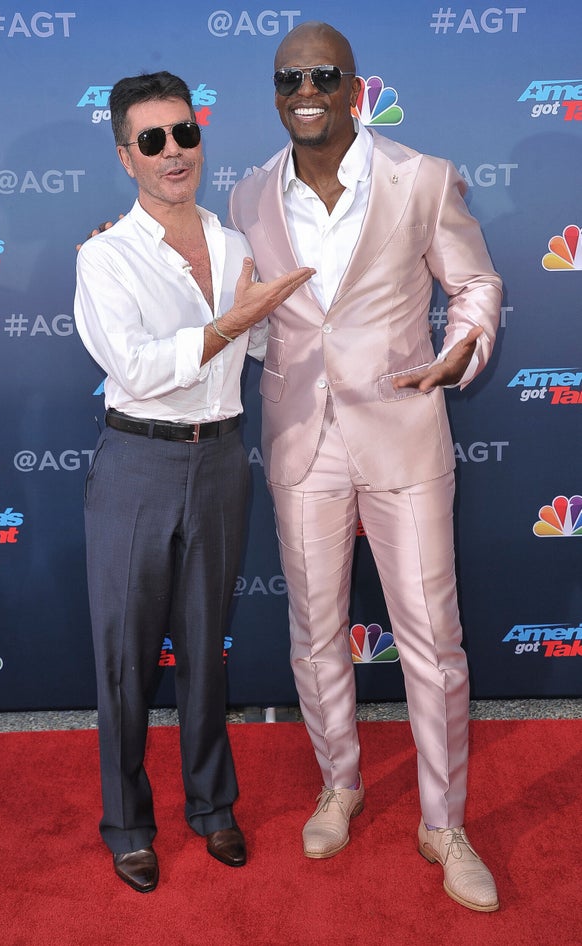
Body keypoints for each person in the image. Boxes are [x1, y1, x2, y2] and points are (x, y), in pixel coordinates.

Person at [227, 21, 502, 912]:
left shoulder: (420, 178)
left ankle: (444, 821)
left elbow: (476, 283)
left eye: (322, 74)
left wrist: (462, 347)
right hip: (302, 437)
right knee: (314, 632)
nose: (304, 88)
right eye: (287, 77)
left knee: (434, 642)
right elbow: (249, 315)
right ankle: (340, 782)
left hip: (405, 432)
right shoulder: (247, 194)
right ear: (275, 93)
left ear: (355, 87)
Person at [74, 70, 313, 894]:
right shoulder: (103, 256)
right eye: (153, 141)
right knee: (126, 658)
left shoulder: (235, 242)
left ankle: (213, 808)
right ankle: (128, 824)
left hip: (220, 460)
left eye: (185, 133)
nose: (174, 152)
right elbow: (136, 370)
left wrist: (253, 327)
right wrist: (228, 326)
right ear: (125, 156)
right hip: (137, 462)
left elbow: (250, 356)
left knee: (207, 650)